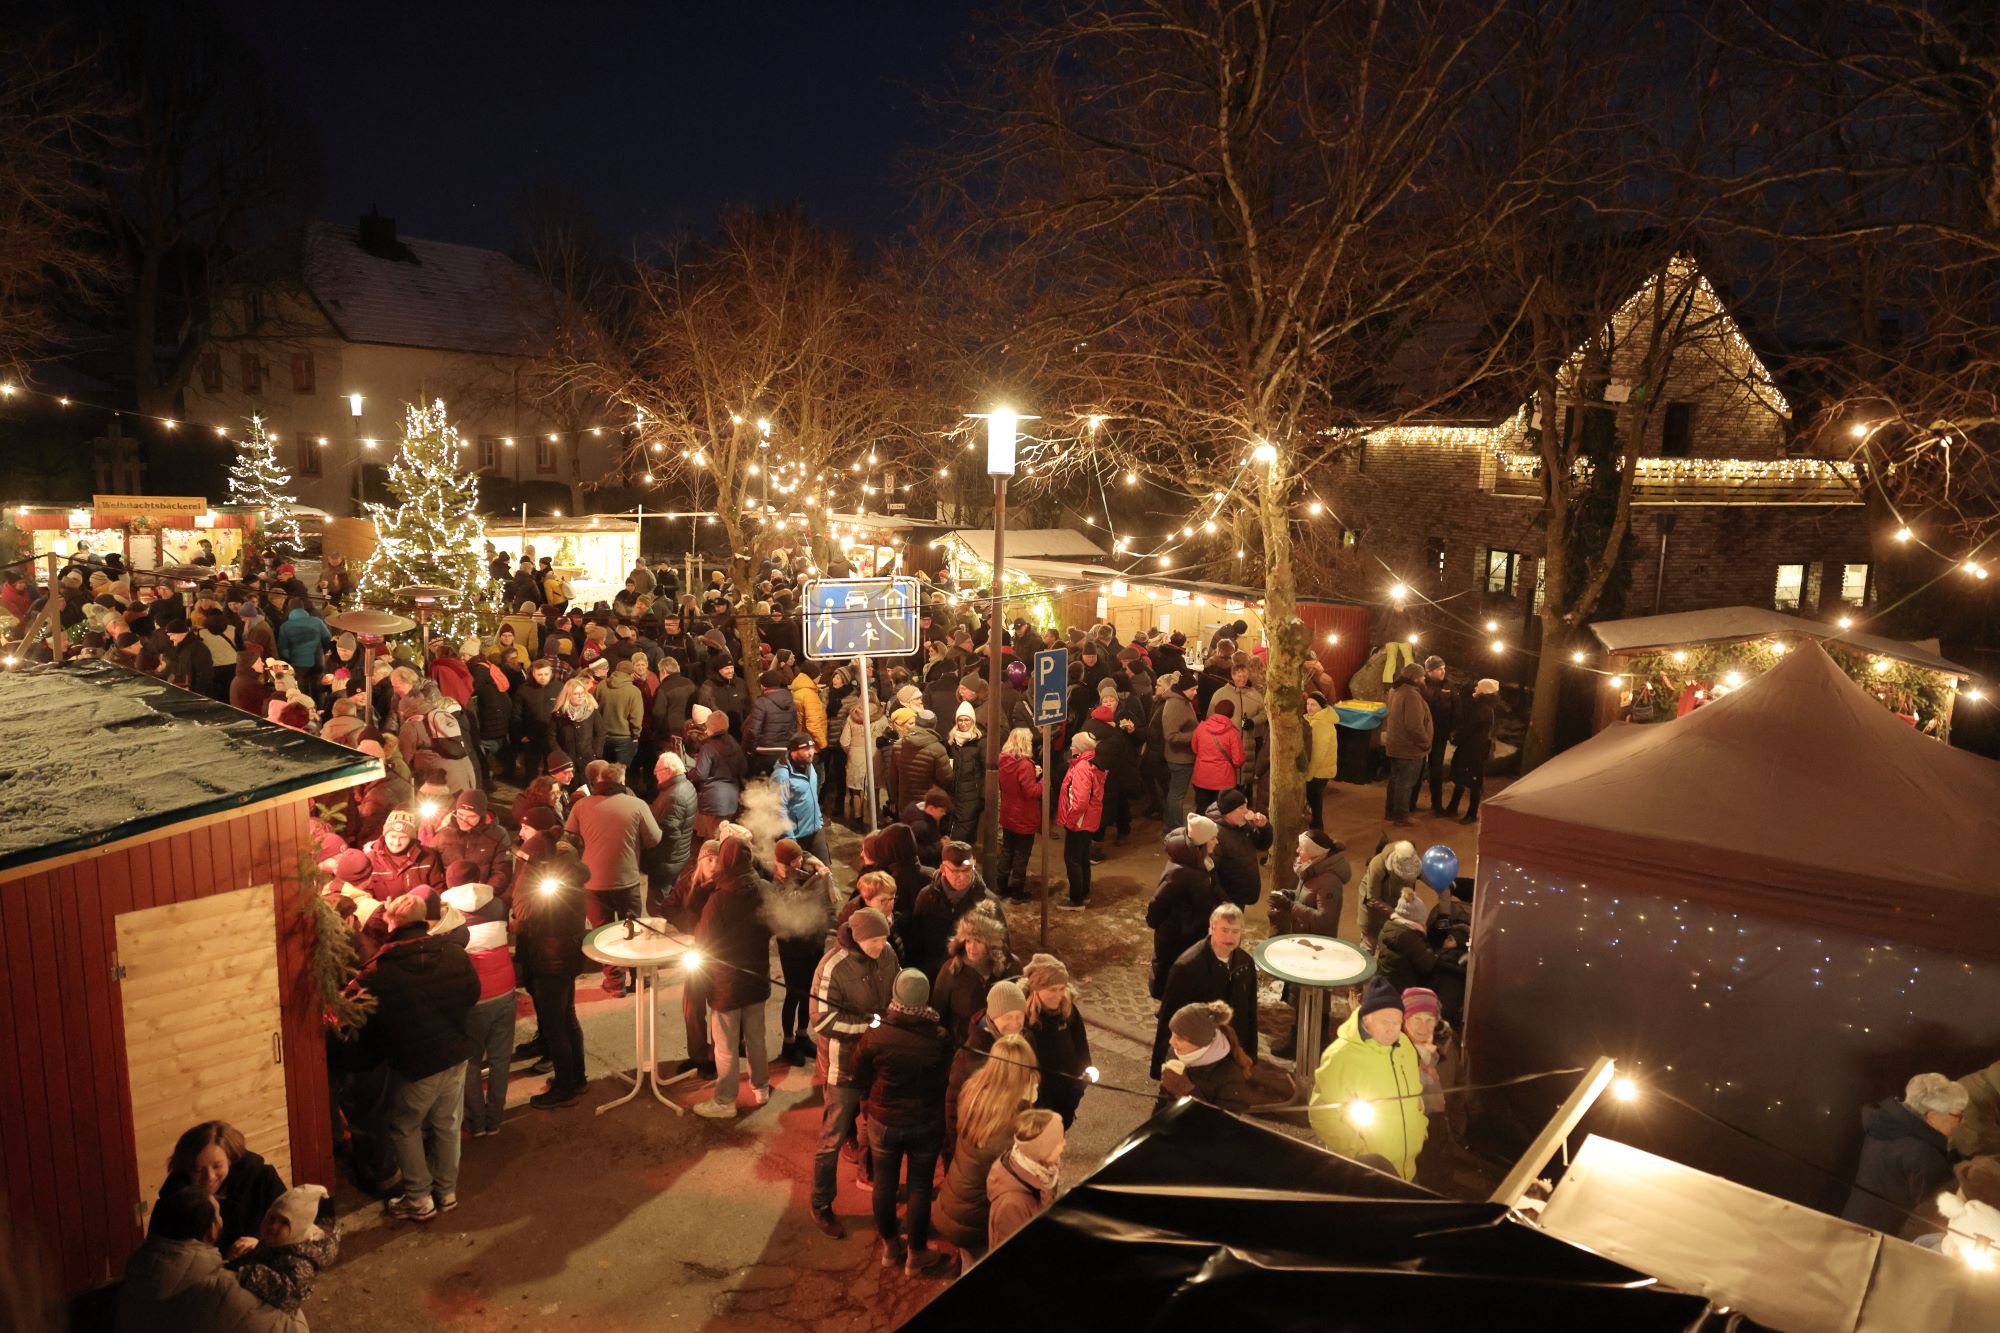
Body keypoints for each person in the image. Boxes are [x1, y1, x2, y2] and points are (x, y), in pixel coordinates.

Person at [350, 893, 480, 1222]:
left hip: (417, 1063)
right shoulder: (453, 952)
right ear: (426, 920)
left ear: (393, 922)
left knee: (404, 1127)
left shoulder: (381, 969)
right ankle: (447, 1192)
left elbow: (368, 1018)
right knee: (448, 1124)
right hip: (456, 1054)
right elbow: (472, 994)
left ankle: (420, 1198)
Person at [851, 967, 955, 1277]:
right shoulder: (939, 1037)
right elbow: (944, 1080)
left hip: (884, 1122)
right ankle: (917, 1253)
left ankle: (890, 1246)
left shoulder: (877, 1033)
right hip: (925, 1121)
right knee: (920, 1187)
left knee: (884, 1183)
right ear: (925, 999)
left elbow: (859, 1074)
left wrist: (870, 1102)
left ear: (896, 995)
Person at [807, 906, 899, 1238]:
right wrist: (868, 1026)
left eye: (883, 940)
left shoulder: (887, 953)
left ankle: (869, 1173)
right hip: (842, 1065)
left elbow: (895, 993)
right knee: (832, 1136)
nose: (881, 947)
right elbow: (822, 1020)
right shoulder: (832, 966)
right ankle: (821, 1202)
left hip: (875, 1058)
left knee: (875, 1122)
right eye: (874, 941)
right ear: (858, 939)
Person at [116, 1187, 309, 1333]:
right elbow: (293, 1328)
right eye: (218, 1215)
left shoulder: (135, 1276)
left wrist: (225, 1266)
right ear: (210, 1232)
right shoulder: (227, 1293)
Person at [1308, 978, 1427, 1180]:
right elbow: (1322, 1116)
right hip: (1367, 1173)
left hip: (1409, 1168)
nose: (1392, 1029)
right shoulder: (1341, 1055)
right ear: (1366, 1020)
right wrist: (1359, 1154)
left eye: (1397, 1022)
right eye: (1384, 1022)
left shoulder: (1404, 1046)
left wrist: (1421, 1126)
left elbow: (1415, 1095)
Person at [935, 1033, 1040, 1261]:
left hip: (957, 1204)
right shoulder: (1010, 1127)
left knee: (968, 1263)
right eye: (1029, 1072)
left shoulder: (976, 1091)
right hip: (976, 1219)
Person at [565, 759, 662, 996]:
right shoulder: (636, 805)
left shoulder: (581, 806)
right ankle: (638, 978)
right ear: (621, 781)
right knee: (630, 926)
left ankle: (614, 982)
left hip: (593, 881)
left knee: (603, 930)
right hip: (626, 879)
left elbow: (571, 839)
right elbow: (655, 838)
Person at [694, 838, 775, 1118]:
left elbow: (704, 939)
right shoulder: (764, 889)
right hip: (758, 976)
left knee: (726, 1046)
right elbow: (774, 925)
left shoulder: (719, 899)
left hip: (727, 983)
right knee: (756, 1038)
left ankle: (725, 1100)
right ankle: (761, 1088)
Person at [1840, 1072, 1969, 1235]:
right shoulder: (1923, 1155)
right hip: (1883, 1242)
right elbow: (1934, 1217)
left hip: (1854, 1225)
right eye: (1958, 1115)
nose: (1963, 1121)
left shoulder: (1885, 1127)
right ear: (1933, 1117)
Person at [441, 865, 515, 1138]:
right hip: (505, 989)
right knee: (500, 1057)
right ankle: (495, 1119)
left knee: (471, 1061)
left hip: (472, 996)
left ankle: (477, 1121)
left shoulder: (446, 911)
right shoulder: (497, 904)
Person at [1152, 903, 1257, 1079]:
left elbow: (1250, 1012)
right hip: (1199, 1058)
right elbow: (1170, 1018)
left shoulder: (1245, 963)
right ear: (1211, 928)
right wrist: (1164, 1068)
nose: (1229, 936)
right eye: (1224, 929)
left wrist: (1251, 1055)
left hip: (1232, 1051)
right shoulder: (1187, 967)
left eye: (1235, 931)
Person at [155, 1121, 287, 1259]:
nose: (210, 1177)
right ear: (185, 1169)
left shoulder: (261, 1177)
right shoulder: (174, 1197)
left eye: (217, 1166)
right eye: (198, 1170)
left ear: (230, 1158)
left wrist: (260, 1244)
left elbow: (294, 1227)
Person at [767, 838, 836, 1064]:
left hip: (813, 939)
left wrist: (815, 868)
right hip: (792, 944)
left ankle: (803, 1034)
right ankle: (788, 1043)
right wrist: (817, 880)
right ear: (785, 863)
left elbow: (805, 853)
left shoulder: (805, 864)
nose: (800, 861)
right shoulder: (778, 881)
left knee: (809, 991)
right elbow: (792, 902)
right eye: (795, 859)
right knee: (794, 993)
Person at [1159, 1000, 1292, 1113]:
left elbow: (1220, 1124)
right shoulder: (1175, 1052)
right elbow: (1164, 1100)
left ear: (1201, 1042)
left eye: (1180, 1038)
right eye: (1172, 1034)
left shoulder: (1230, 1077)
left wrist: (1187, 1091)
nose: (1171, 1042)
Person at [229, 1185, 339, 1319]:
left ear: (297, 1229)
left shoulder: (300, 1263)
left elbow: (290, 1296)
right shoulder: (277, 1240)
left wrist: (250, 1273)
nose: (274, 1226)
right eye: (272, 1218)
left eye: (284, 1222)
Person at [1147, 815, 1222, 1005]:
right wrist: (1164, 924)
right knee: (1173, 980)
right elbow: (1158, 902)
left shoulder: (1202, 863)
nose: (1217, 841)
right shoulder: (1180, 872)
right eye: (1212, 838)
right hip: (1178, 937)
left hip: (1191, 933)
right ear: (1202, 842)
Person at [908, 841, 1002, 983]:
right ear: (943, 869)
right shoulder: (927, 898)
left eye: (967, 870)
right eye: (955, 871)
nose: (962, 877)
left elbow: (1001, 946)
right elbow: (916, 942)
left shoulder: (987, 902)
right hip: (932, 976)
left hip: (970, 979)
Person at [1021, 953, 1091, 1127]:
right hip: (1037, 1104)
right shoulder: (1023, 1018)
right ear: (1036, 989)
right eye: (1052, 989)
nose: (1058, 995)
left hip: (1067, 1099)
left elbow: (1082, 1053)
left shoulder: (1069, 1012)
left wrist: (1077, 1089)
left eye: (1062, 988)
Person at [931, 908, 1018, 1048]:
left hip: (1002, 1045)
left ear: (990, 944)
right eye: (968, 941)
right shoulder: (951, 970)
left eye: (978, 941)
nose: (971, 948)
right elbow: (937, 1012)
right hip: (965, 1046)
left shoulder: (1009, 967)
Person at [986, 1109, 1065, 1250]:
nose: (1064, 1143)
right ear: (1043, 1151)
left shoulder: (1045, 1170)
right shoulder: (1012, 1204)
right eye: (1058, 1141)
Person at [1399, 986, 1465, 1144]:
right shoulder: (1393, 1051)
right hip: (1403, 1140)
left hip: (1442, 1138)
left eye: (1429, 1020)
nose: (1424, 1027)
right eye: (1417, 1019)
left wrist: (1455, 1130)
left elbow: (1460, 1090)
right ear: (1404, 1020)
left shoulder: (1447, 1049)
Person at [1056, 731, 1106, 910]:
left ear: (1082, 747)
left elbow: (1080, 801)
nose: (1070, 746)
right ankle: (1084, 892)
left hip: (1079, 821)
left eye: (1073, 743)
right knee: (1083, 856)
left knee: (1072, 859)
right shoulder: (1088, 763)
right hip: (1087, 820)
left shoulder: (1082, 767)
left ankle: (1076, 899)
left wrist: (1070, 820)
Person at [1382, 662, 1433, 826]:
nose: (1424, 679)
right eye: (1422, 676)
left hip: (1395, 744)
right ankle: (1402, 815)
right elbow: (1414, 725)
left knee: (1396, 780)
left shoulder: (1395, 690)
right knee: (1405, 783)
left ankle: (1391, 812)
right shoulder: (1411, 695)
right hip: (1408, 747)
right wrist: (1425, 742)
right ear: (1416, 678)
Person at [1205, 787, 1273, 907]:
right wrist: (1225, 901)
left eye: (1246, 806)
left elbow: (1262, 845)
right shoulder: (1215, 835)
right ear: (1227, 812)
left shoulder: (1243, 825)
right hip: (1227, 900)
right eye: (1241, 808)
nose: (1246, 812)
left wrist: (1264, 828)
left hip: (1239, 895)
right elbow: (1211, 875)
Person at [771, 731, 830, 866]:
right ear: (793, 752)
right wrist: (790, 840)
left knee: (826, 872)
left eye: (812, 748)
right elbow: (779, 810)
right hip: (797, 836)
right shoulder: (781, 776)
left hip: (816, 830)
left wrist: (819, 819)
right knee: (799, 878)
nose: (811, 752)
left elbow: (812, 796)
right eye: (806, 749)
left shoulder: (809, 766)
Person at [1443, 677, 1498, 823]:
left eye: (1478, 687)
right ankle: (1453, 807)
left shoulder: (1482, 708)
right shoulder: (1483, 706)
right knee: (1462, 777)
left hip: (1474, 750)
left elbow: (1469, 727)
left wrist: (1457, 739)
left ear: (1485, 690)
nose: (1475, 689)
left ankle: (1471, 814)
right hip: (1472, 748)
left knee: (1473, 781)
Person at [647, 750, 698, 900]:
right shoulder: (686, 785)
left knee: (657, 903)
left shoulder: (673, 796)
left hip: (666, 861)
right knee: (671, 895)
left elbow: (668, 834)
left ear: (668, 771)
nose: (655, 774)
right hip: (678, 856)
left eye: (657, 770)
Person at [691, 707, 747, 836]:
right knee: (723, 836)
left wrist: (689, 772)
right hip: (731, 799)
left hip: (713, 800)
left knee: (715, 841)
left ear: (710, 727)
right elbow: (743, 768)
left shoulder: (708, 747)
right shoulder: (734, 743)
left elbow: (700, 774)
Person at [1357, 840, 1422, 950]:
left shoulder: (1414, 863)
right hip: (1373, 911)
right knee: (1369, 942)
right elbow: (1372, 897)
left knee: (1389, 946)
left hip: (1394, 907)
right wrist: (1395, 914)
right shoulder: (1377, 865)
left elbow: (1428, 877)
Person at [1374, 888, 1439, 991]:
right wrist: (1433, 951)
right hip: (1401, 989)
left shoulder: (1386, 928)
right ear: (1416, 920)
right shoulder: (1412, 940)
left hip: (1383, 981)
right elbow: (1427, 965)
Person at [1418, 656, 1458, 815]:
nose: (1443, 671)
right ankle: (1410, 802)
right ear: (1429, 671)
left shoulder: (1449, 686)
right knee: (1418, 769)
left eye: (1444, 668)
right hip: (1421, 735)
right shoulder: (1421, 685)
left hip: (1440, 734)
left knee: (1436, 770)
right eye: (1439, 669)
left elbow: (1457, 709)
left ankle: (1437, 805)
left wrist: (1451, 728)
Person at [1190, 697, 1244, 813]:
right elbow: (1238, 760)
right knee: (1221, 813)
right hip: (1224, 781)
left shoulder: (1201, 727)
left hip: (1202, 778)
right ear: (1232, 713)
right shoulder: (1233, 733)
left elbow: (1194, 749)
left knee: (1201, 811)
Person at [944, 702, 985, 843]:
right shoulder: (951, 742)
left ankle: (956, 857)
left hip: (971, 796)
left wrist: (982, 796)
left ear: (972, 721)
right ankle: (963, 861)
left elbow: (985, 770)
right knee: (955, 828)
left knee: (963, 832)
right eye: (960, 720)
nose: (963, 723)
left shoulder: (979, 742)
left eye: (966, 719)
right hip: (953, 793)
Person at [1304, 692, 1339, 829]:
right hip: (1319, 771)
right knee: (1315, 803)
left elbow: (1318, 753)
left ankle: (1317, 832)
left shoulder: (1320, 725)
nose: (1309, 708)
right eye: (1308, 704)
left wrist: (1309, 774)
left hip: (1318, 772)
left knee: (1315, 805)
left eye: (1313, 705)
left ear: (1321, 707)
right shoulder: (1314, 720)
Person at [550, 675, 602, 767]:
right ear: (568, 695)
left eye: (582, 693)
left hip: (588, 759)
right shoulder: (559, 714)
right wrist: (560, 755)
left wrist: (595, 754)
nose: (580, 696)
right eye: (576, 694)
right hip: (567, 760)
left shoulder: (591, 710)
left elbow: (600, 733)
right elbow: (551, 737)